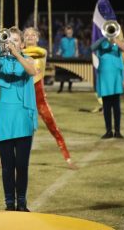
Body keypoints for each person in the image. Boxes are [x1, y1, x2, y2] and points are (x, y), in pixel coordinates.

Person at [0, 27, 38, 211]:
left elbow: (31, 71)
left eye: (16, 40)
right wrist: (0, 49)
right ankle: (9, 203)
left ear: (22, 44)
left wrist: (17, 53)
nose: (12, 43)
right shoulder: (0, 62)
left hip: (23, 117)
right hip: (5, 117)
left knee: (22, 165)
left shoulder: (28, 59)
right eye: (10, 40)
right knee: (7, 166)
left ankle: (21, 203)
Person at [22, 27, 75, 169]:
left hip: (40, 101)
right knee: (18, 132)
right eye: (27, 35)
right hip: (24, 101)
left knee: (54, 128)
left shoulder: (41, 52)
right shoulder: (18, 55)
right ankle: (6, 160)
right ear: (23, 38)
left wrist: (14, 51)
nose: (30, 36)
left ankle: (68, 159)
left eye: (33, 35)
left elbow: (36, 52)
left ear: (38, 38)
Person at [91, 31, 124, 139]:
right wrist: (104, 38)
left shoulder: (117, 41)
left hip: (115, 76)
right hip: (105, 77)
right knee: (106, 106)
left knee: (116, 106)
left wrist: (114, 39)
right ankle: (108, 131)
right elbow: (93, 47)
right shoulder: (102, 42)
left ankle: (118, 131)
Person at [56, 25, 78, 93]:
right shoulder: (62, 40)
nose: (69, 34)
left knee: (70, 75)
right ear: (65, 33)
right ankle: (61, 88)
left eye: (70, 33)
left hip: (72, 59)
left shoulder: (75, 40)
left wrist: (76, 56)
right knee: (62, 75)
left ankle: (69, 88)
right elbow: (60, 49)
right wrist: (58, 53)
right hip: (64, 58)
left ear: (72, 32)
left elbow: (76, 49)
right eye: (68, 33)